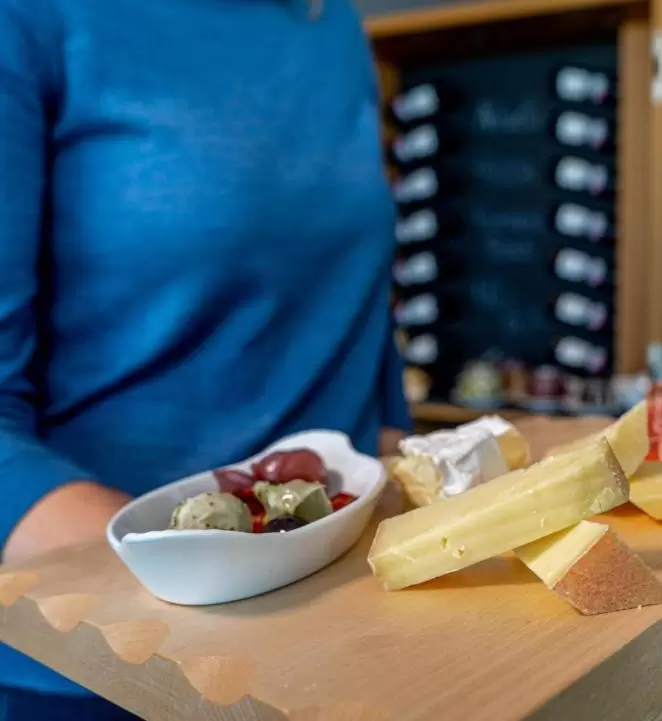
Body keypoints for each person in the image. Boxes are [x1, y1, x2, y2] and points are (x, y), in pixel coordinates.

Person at [0, 0, 410, 716]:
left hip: (351, 640)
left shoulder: (328, 20)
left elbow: (352, 339)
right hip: (113, 669)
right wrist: (206, 606)